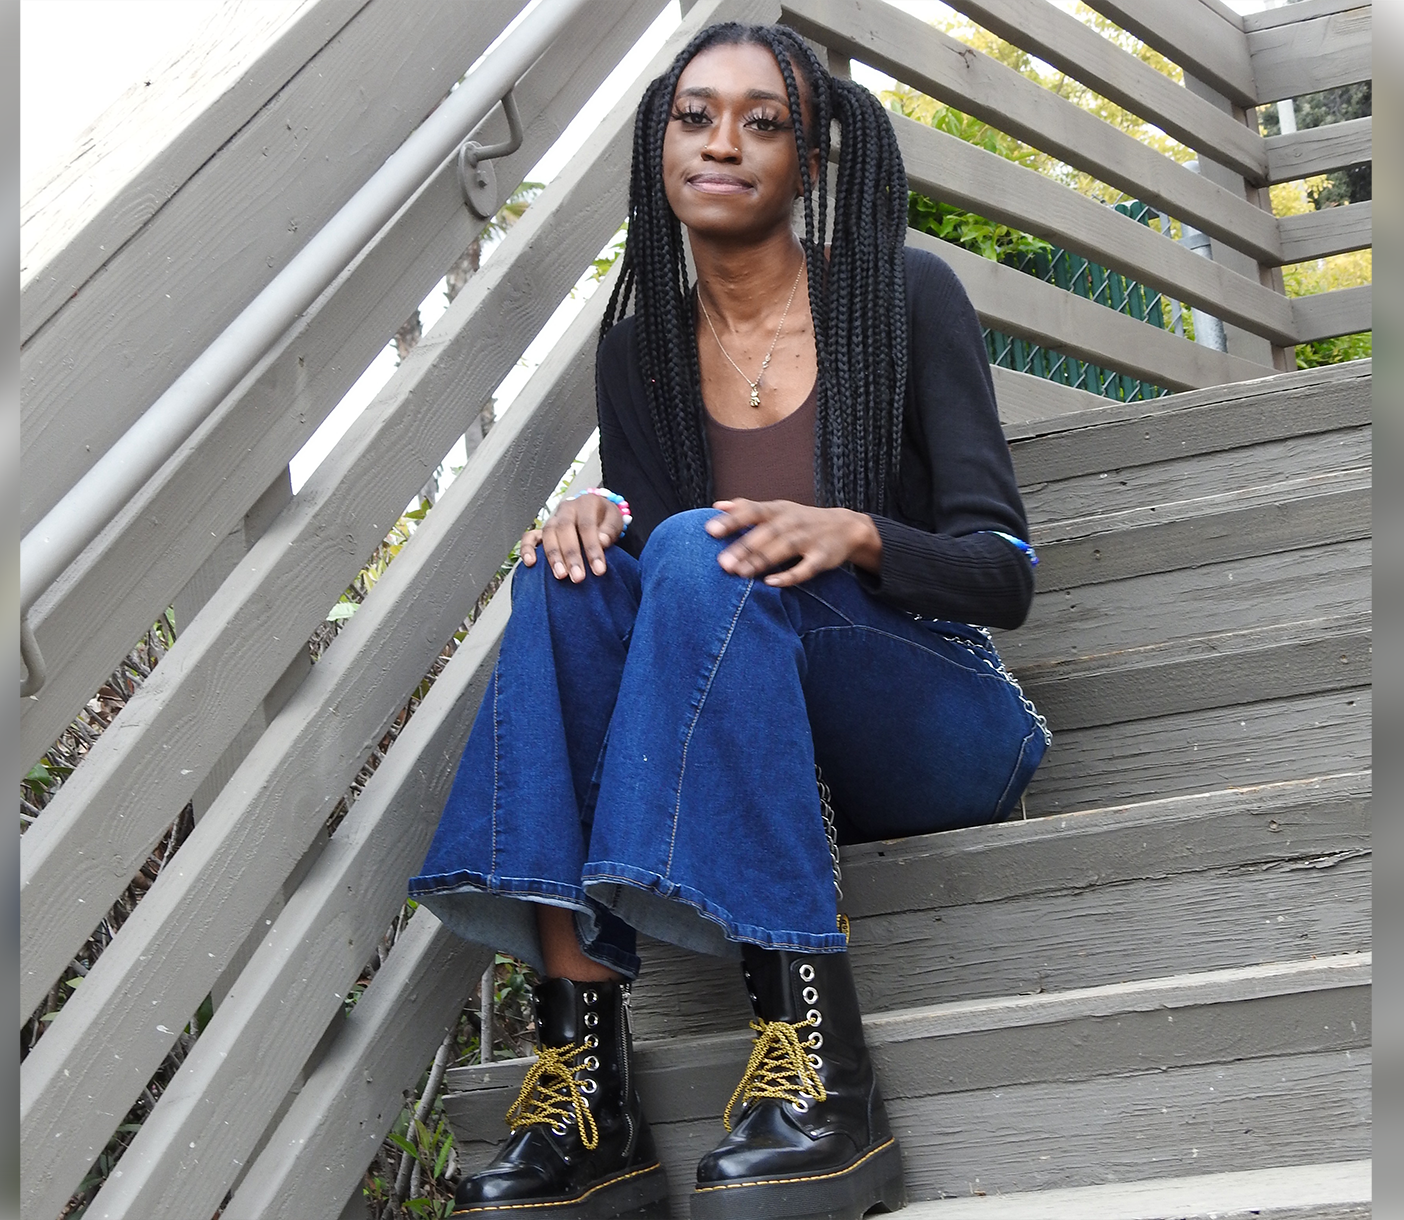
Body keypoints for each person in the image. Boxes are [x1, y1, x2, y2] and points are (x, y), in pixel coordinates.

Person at [409, 21, 1049, 1220]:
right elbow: (664, 609)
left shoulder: (905, 292)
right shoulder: (643, 346)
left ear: (809, 163)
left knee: (704, 548)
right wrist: (594, 525)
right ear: (660, 145)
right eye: (696, 115)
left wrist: (854, 533)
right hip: (741, 744)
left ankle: (822, 1062)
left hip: (933, 713)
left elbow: (1002, 569)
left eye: (765, 122)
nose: (724, 141)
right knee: (573, 573)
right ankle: (589, 1089)